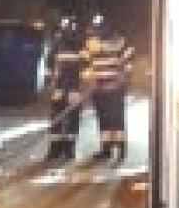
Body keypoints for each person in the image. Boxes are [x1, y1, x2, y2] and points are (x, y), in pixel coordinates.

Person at [84, 13, 133, 163]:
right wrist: (90, 82)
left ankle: (120, 148)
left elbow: (128, 64)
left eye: (99, 28)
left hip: (115, 89)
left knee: (116, 119)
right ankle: (106, 149)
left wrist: (121, 82)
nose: (97, 31)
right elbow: (86, 65)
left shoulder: (120, 42)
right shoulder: (91, 44)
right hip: (99, 89)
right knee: (103, 119)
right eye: (96, 28)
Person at [47, 15, 87, 161]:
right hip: (64, 88)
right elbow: (51, 65)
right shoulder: (59, 43)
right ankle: (58, 148)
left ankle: (65, 149)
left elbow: (85, 66)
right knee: (59, 118)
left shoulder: (80, 44)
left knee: (70, 118)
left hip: (72, 88)